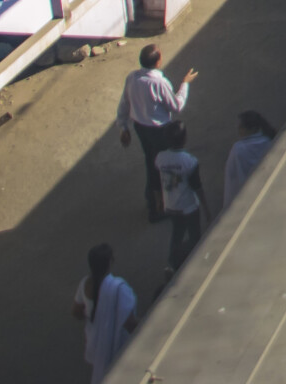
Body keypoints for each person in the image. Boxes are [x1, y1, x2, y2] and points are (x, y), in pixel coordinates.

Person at [114, 44, 196, 222]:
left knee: (151, 162)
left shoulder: (132, 78)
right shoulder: (159, 83)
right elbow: (176, 106)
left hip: (141, 129)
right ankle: (159, 206)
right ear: (158, 62)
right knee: (161, 166)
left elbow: (124, 104)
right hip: (160, 131)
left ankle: (153, 200)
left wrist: (123, 126)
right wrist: (185, 84)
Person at [72, 243, 138, 382]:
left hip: (94, 341)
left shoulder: (84, 283)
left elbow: (76, 312)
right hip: (117, 344)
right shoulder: (118, 288)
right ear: (110, 262)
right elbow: (130, 322)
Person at [153, 123, 206, 275]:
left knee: (176, 234)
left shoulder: (160, 158)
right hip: (188, 206)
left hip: (170, 206)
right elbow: (197, 186)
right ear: (185, 139)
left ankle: (171, 264)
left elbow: (156, 182)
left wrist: (158, 201)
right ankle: (194, 264)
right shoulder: (189, 161)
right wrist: (206, 207)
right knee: (195, 236)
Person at [223, 110, 278, 210]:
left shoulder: (238, 149)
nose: (238, 129)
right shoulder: (268, 141)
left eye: (241, 127)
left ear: (252, 129)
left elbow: (232, 177)